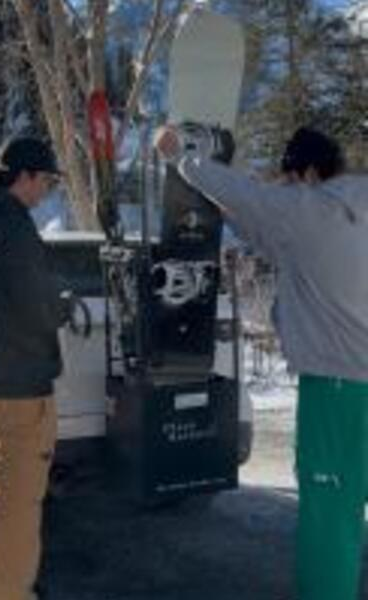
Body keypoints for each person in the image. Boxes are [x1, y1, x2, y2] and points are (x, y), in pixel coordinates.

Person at [156, 124, 368, 600]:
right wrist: (232, 216)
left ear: (308, 173)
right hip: (355, 383)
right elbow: (272, 232)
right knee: (351, 500)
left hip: (339, 387)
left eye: (290, 181)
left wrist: (182, 157)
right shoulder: (353, 209)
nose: (288, 190)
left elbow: (250, 196)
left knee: (329, 510)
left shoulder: (313, 207)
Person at [0, 136, 73, 600]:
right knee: (17, 507)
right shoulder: (12, 226)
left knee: (3, 497)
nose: (46, 191)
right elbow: (36, 306)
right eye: (46, 181)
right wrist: (63, 303)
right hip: (21, 388)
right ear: (24, 176)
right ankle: (6, 594)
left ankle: (0, 588)